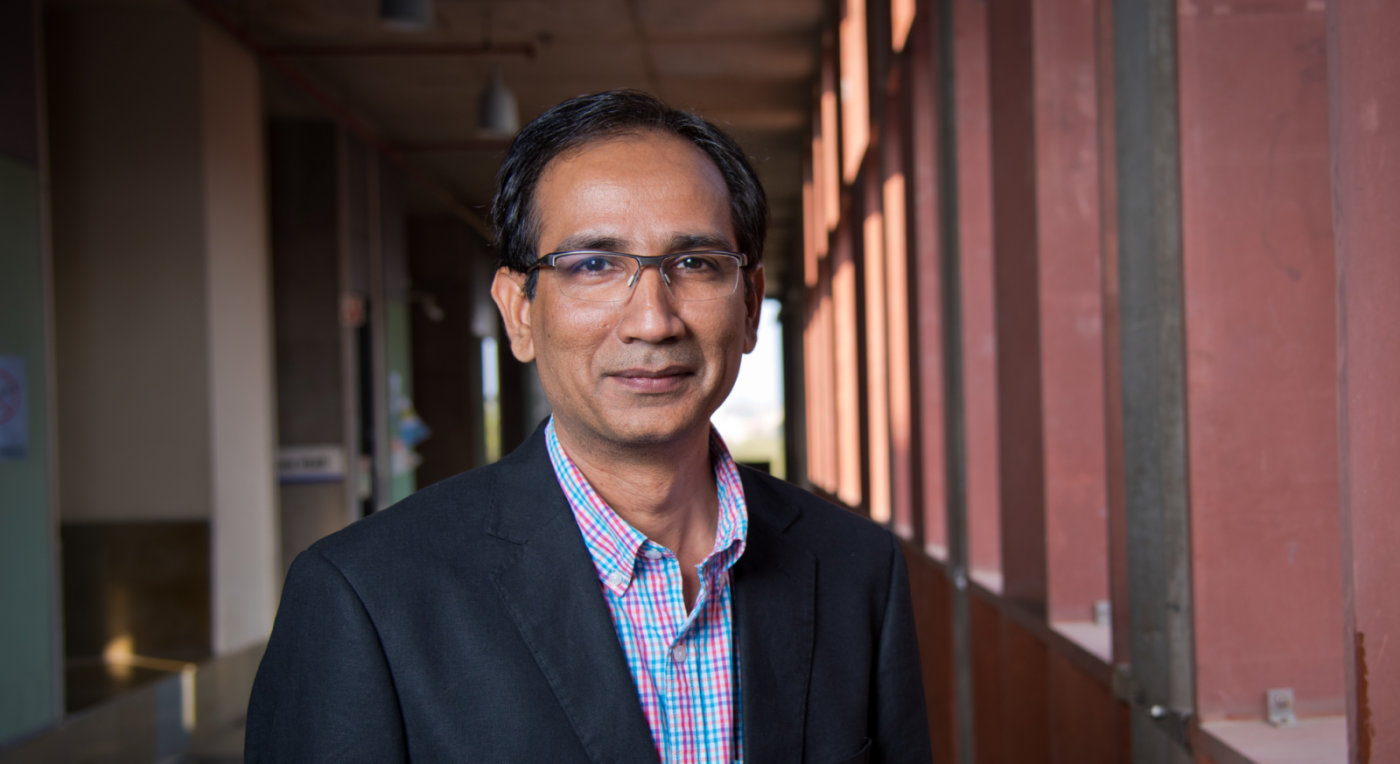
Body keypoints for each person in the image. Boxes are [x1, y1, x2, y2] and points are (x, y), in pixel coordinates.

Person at [244, 90, 932, 764]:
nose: (653, 322)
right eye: (594, 265)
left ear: (750, 306)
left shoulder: (857, 569)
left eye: (695, 263)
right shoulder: (364, 595)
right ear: (519, 312)